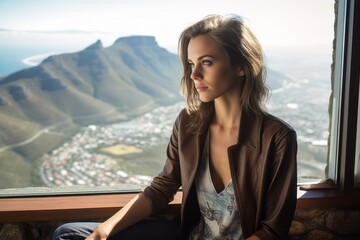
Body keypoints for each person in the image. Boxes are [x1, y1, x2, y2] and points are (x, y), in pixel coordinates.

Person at [53, 14, 297, 240]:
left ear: (240, 66)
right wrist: (103, 231)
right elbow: (162, 188)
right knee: (68, 234)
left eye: (207, 62)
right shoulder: (189, 123)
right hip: (188, 235)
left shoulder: (277, 138)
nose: (194, 75)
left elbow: (273, 230)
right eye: (191, 64)